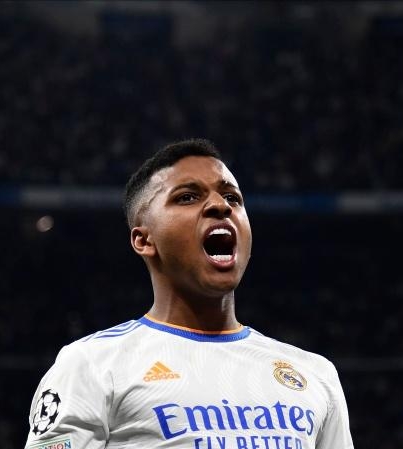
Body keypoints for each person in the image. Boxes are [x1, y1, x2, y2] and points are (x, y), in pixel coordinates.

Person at [24, 139, 354, 449]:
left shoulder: (315, 374)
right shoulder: (93, 366)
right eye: (187, 197)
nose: (220, 205)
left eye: (233, 198)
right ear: (144, 240)